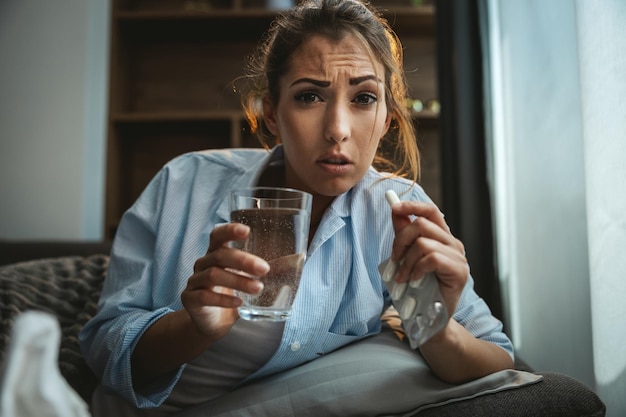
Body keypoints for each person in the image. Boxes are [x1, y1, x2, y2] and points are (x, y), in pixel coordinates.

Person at [79, 0, 514, 415]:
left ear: (385, 118)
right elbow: (102, 347)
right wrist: (190, 329)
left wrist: (432, 323)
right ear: (271, 112)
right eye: (309, 96)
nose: (338, 130)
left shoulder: (395, 212)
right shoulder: (183, 183)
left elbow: (498, 359)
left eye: (363, 98)